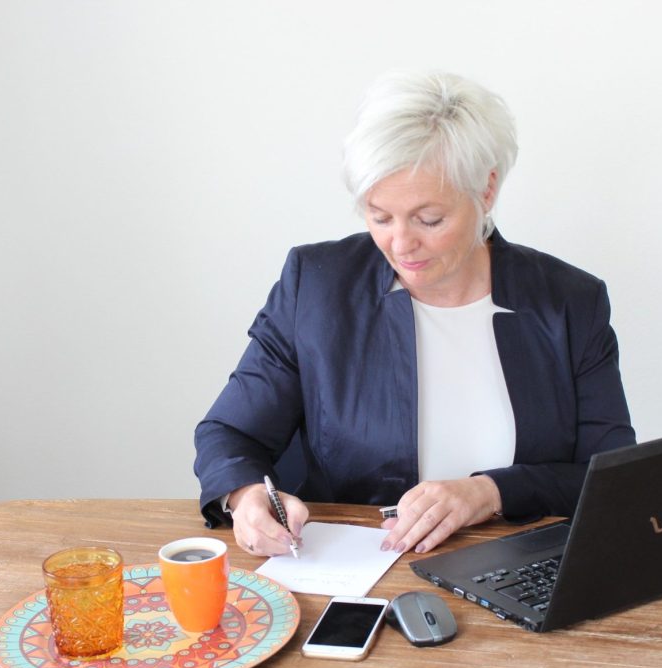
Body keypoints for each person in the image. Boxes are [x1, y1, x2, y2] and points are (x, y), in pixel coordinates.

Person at [194, 70, 635, 558]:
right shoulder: (316, 285)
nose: (401, 245)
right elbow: (229, 433)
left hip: (520, 572)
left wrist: (492, 492)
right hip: (356, 574)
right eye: (380, 216)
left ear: (486, 191)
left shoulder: (570, 301)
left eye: (430, 219)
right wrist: (245, 495)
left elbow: (610, 477)